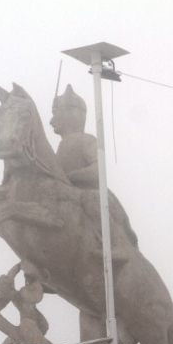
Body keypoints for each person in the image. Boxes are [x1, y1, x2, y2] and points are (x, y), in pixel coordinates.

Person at [50, 85, 138, 258]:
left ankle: (115, 244)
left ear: (71, 113)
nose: (52, 120)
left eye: (57, 113)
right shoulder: (61, 146)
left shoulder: (86, 140)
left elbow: (98, 170)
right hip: (70, 198)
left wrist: (71, 176)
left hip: (91, 195)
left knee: (91, 199)